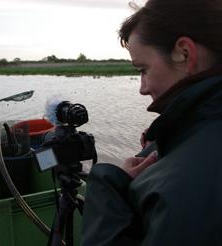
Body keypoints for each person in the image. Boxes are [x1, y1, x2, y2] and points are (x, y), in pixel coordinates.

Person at [82, 0, 222, 245]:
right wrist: (176, 141)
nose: (143, 89)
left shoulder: (186, 190)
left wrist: (109, 188)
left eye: (142, 69)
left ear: (184, 54)